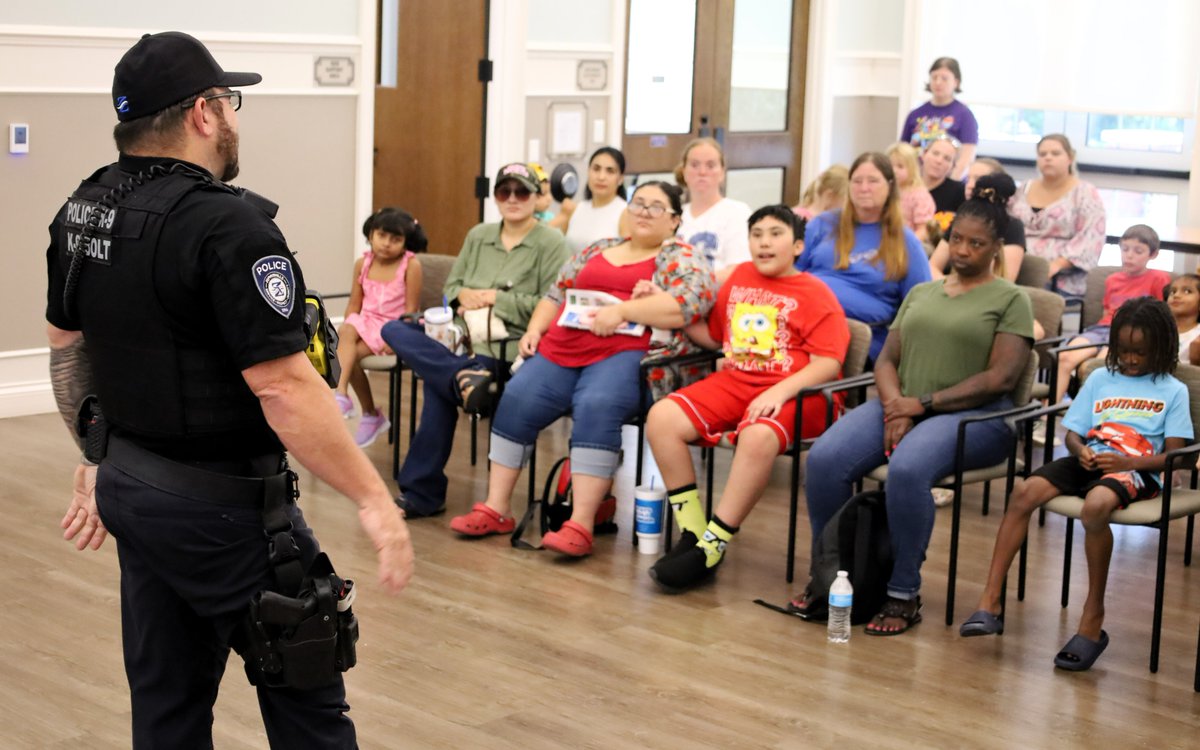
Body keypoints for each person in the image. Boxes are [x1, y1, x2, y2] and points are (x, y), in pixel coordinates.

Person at [44, 32, 413, 748]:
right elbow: (282, 387)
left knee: (167, 705)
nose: (234, 117)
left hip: (135, 492)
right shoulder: (229, 226)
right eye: (229, 101)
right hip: (225, 511)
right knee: (309, 696)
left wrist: (98, 455)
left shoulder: (82, 211)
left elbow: (67, 348)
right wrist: (373, 498)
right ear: (205, 113)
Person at [797, 177, 1034, 635]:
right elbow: (887, 359)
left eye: (976, 244)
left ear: (995, 248)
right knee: (825, 459)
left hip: (979, 418)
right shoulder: (922, 292)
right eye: (957, 239)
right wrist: (894, 408)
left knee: (907, 470)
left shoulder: (1011, 299)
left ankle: (901, 594)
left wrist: (918, 406)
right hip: (904, 403)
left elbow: (999, 378)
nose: (963, 250)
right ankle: (832, 578)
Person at [448, 182, 715, 556]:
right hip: (563, 346)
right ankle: (497, 508)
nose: (643, 212)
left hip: (626, 354)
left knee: (598, 404)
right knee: (518, 395)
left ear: (674, 220)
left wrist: (622, 311)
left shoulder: (681, 257)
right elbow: (556, 292)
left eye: (656, 207)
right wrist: (535, 328)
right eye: (639, 203)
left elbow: (687, 307)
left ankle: (582, 523)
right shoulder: (599, 248)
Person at [961, 297, 1191, 671]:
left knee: (1096, 505)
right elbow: (1073, 433)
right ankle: (990, 601)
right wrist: (1079, 449)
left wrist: (1128, 462)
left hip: (1136, 468)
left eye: (1141, 352)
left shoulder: (1172, 390)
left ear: (1162, 347)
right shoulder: (1101, 377)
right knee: (1024, 492)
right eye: (1125, 351)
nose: (1131, 360)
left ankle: (1092, 618)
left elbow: (1179, 457)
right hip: (1092, 459)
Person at [644, 205, 849, 590]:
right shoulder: (739, 277)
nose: (764, 242)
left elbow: (828, 362)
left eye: (775, 234)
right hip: (739, 382)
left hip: (803, 391)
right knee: (661, 418)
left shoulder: (816, 292)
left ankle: (712, 548)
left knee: (756, 435)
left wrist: (780, 390)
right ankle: (693, 533)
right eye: (756, 234)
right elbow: (716, 338)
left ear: (798, 245)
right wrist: (664, 303)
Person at [380, 162, 569, 518]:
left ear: (536, 197)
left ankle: (422, 492)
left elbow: (553, 303)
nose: (512, 199)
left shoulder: (552, 242)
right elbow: (452, 288)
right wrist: (462, 296)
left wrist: (498, 299)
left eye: (522, 192)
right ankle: (462, 376)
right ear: (496, 197)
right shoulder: (479, 234)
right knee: (393, 328)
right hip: (460, 337)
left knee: (438, 390)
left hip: (505, 346)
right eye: (504, 192)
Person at [796, 152, 932, 361]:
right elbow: (791, 275)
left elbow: (920, 309)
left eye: (873, 181)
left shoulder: (906, 243)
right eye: (857, 181)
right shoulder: (822, 224)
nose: (864, 188)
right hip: (801, 322)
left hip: (857, 338)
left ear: (890, 186)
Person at [334, 207, 426, 447]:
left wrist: (396, 340)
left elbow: (411, 310)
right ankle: (342, 394)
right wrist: (346, 332)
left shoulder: (411, 265)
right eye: (382, 236)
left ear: (406, 242)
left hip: (392, 329)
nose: (386, 244)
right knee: (345, 331)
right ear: (371, 234)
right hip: (365, 323)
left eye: (395, 239)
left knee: (348, 355)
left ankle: (369, 414)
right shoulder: (362, 263)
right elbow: (354, 304)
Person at [1052, 224, 1171, 402]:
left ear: (1152, 255)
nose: (1129, 255)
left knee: (1098, 366)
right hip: (1102, 330)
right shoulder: (1112, 280)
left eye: (1138, 251)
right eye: (1125, 249)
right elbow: (1107, 311)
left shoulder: (1159, 279)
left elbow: (1161, 317)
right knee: (1064, 356)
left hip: (1130, 334)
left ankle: (1092, 413)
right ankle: (1048, 414)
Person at [1009, 134, 1107, 298]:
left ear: (1070, 158)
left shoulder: (1085, 193)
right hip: (1017, 267)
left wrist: (1055, 265)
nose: (1048, 158)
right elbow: (1008, 224)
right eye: (1042, 154)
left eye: (1055, 153)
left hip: (1060, 278)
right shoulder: (1024, 187)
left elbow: (1091, 238)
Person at [928, 159, 1025, 283]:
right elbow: (933, 267)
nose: (970, 185)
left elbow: (1006, 279)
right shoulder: (961, 221)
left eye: (978, 179)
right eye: (968, 179)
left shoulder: (1012, 226)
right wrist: (951, 288)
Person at [675, 137, 752, 282]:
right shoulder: (674, 214)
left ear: (722, 172)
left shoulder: (737, 212)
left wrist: (691, 286)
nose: (702, 172)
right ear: (684, 171)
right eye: (694, 165)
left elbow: (739, 269)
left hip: (717, 295)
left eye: (710, 166)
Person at [901, 57, 978, 180]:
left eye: (944, 78)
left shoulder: (965, 115)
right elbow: (903, 152)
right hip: (917, 180)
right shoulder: (915, 114)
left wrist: (951, 185)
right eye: (934, 77)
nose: (938, 82)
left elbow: (967, 157)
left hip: (948, 180)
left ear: (956, 82)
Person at [550, 146, 629, 250]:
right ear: (588, 172)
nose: (601, 177)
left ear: (620, 179)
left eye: (610, 171)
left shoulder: (625, 212)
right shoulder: (575, 209)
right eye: (596, 169)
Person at [887, 142, 936, 243]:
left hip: (908, 245)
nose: (894, 171)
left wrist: (908, 245)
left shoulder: (919, 195)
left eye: (900, 166)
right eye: (890, 166)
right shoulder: (885, 191)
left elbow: (924, 229)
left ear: (912, 168)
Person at [921, 134, 966, 215]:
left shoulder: (959, 192)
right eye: (935, 153)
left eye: (947, 158)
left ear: (953, 166)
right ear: (924, 154)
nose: (939, 161)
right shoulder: (905, 184)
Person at [1166, 274, 1200, 364]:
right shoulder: (1158, 330)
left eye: (1187, 291)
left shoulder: (1198, 336)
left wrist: (1196, 360)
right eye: (1173, 291)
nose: (1176, 295)